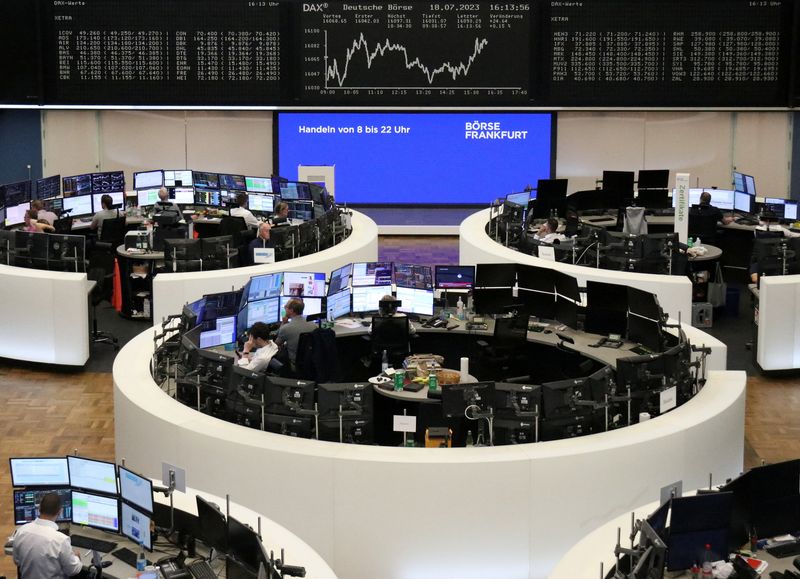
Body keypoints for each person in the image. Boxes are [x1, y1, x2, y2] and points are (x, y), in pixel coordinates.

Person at [12, 492, 83, 578]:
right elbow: (73, 570)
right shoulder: (60, 540)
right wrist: (77, 558)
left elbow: (17, 561)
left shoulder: (21, 531)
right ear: (60, 512)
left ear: (39, 508)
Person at [276, 298, 318, 370]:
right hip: (312, 362)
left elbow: (276, 345)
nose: (284, 308)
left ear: (291, 310)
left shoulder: (286, 328)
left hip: (295, 365)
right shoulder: (314, 325)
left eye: (286, 307)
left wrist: (283, 323)